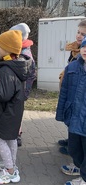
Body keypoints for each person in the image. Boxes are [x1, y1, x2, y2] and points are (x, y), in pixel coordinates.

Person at [0, 30, 30, 184]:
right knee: (11, 137)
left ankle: (9, 171)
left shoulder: (7, 69)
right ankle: (11, 164)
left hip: (6, 112)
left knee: (0, 138)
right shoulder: (16, 65)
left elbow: (3, 95)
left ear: (8, 49)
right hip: (13, 111)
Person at [57, 20, 86, 177]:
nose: (79, 36)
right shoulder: (75, 50)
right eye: (78, 32)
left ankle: (80, 169)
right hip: (73, 100)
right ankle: (73, 148)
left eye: (83, 34)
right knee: (74, 135)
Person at [9, 23, 36, 147]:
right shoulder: (17, 51)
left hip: (19, 91)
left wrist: (24, 92)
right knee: (12, 112)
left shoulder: (24, 55)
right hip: (15, 90)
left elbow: (30, 75)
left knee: (16, 113)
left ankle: (16, 135)